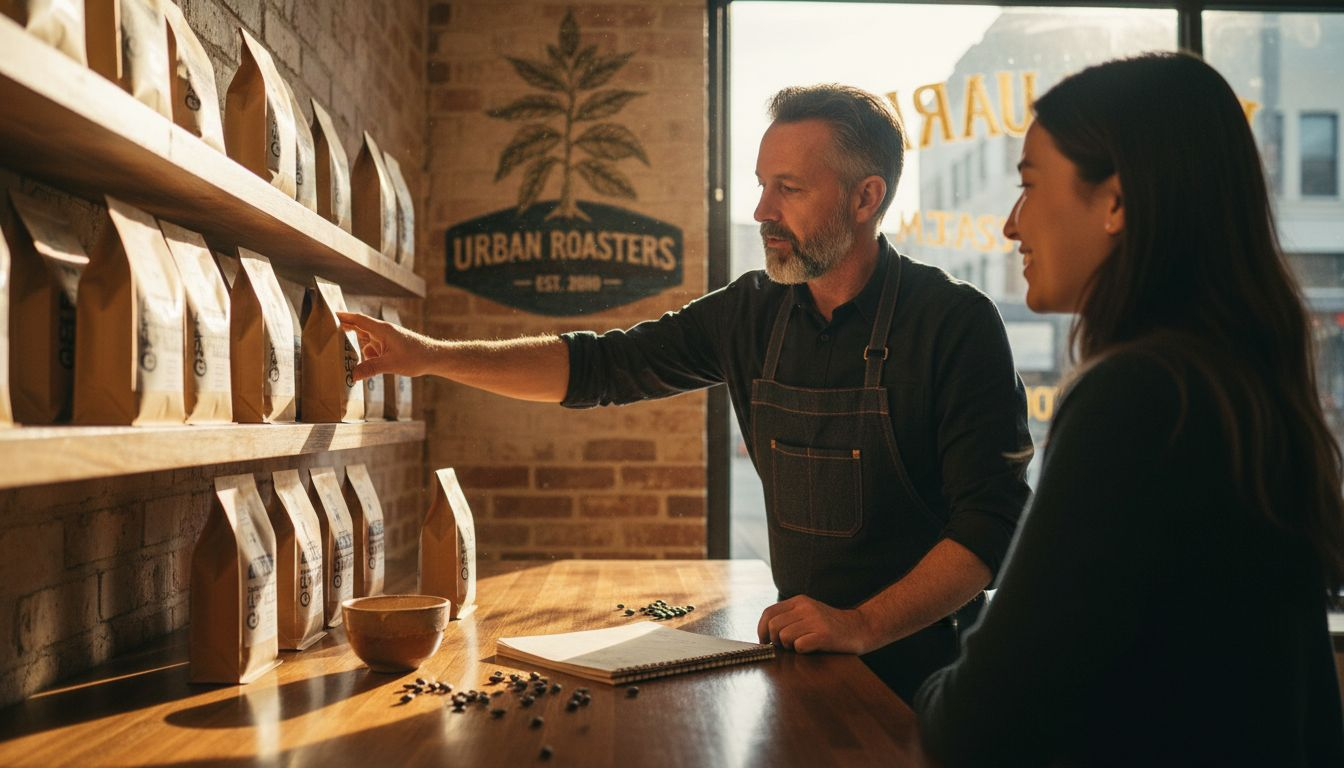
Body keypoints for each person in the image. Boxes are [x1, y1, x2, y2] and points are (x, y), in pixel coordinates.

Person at [339, 84, 1032, 702]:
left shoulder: (953, 323)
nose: (762, 209)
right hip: (800, 662)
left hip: (928, 680)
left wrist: (861, 624)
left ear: (865, 196)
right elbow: (600, 367)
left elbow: (991, 527)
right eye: (761, 184)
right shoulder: (750, 313)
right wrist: (426, 356)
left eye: (788, 188)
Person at [914, 52, 1344, 767]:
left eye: (1028, 185)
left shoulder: (1138, 397)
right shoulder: (1240, 385)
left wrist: (922, 682)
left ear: (1116, 201)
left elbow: (976, 721)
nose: (1011, 226)